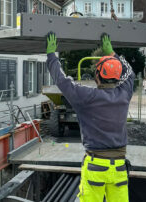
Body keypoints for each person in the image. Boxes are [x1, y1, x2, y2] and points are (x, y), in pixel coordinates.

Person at [46, 33, 135, 202]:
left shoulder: (86, 97)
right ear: (117, 77)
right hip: (119, 169)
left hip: (96, 166)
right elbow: (130, 74)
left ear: (97, 75)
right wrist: (113, 54)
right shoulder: (124, 94)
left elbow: (62, 81)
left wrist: (52, 56)